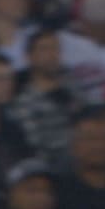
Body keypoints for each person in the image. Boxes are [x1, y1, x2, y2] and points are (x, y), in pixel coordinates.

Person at [8, 29, 81, 163]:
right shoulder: (24, 102)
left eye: (55, 49)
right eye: (44, 49)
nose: (51, 55)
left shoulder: (74, 88)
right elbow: (34, 147)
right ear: (29, 57)